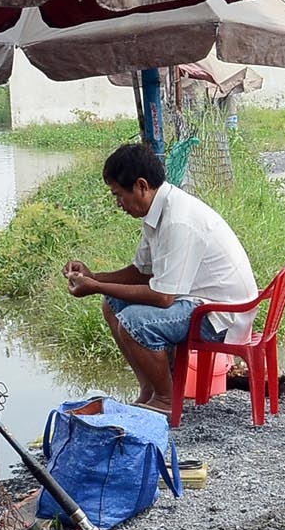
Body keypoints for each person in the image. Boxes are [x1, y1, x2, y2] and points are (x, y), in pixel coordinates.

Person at [62, 143, 258, 413]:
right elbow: (140, 272)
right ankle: (151, 391)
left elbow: (163, 297)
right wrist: (94, 276)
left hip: (222, 315)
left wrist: (94, 286)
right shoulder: (158, 210)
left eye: (119, 195)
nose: (118, 204)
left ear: (141, 185)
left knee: (133, 322)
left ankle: (167, 401)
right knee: (112, 304)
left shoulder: (179, 220)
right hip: (198, 300)